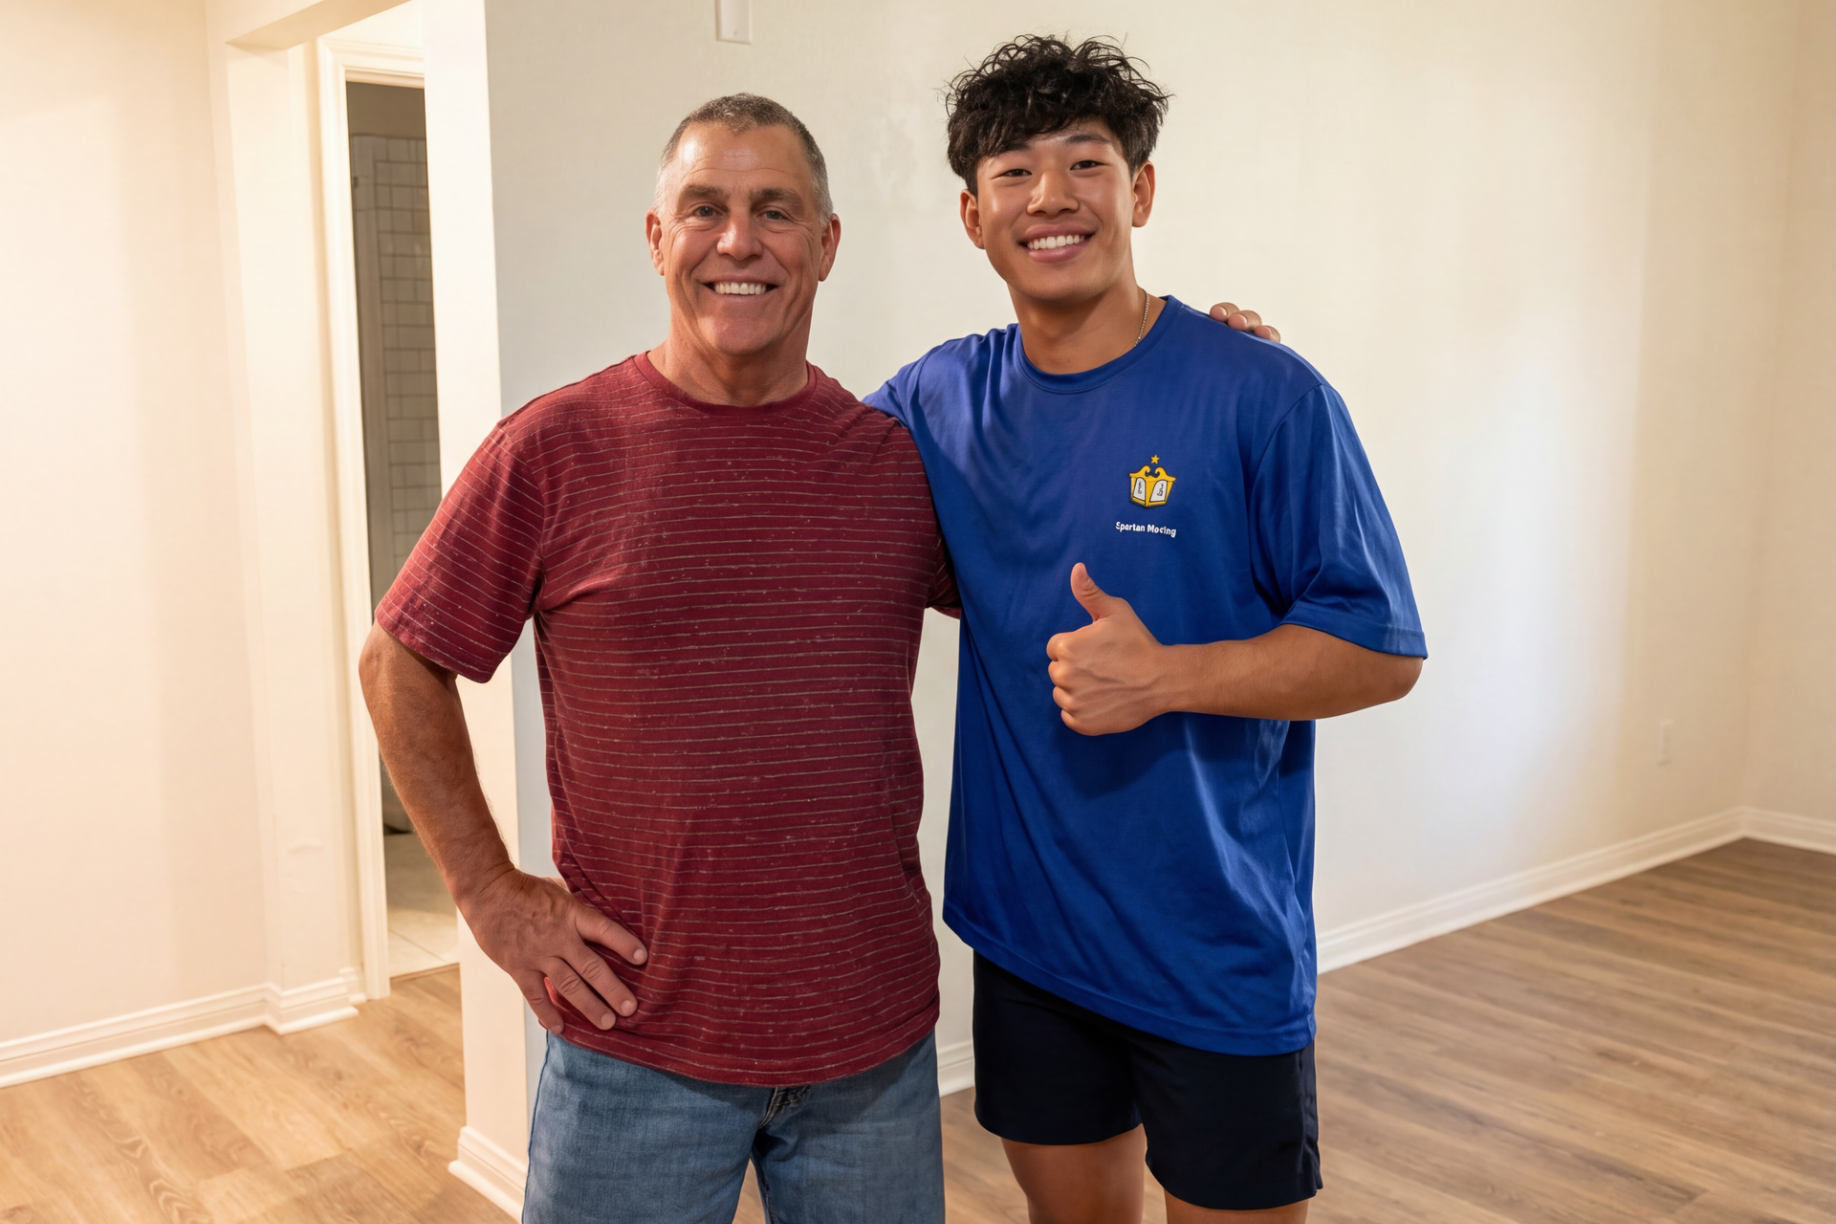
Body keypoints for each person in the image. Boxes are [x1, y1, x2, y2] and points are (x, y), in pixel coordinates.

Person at [359, 91, 1273, 1224]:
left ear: (826, 245)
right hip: (635, 1045)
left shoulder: (896, 461)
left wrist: (1184, 375)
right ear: (658, 239)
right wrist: (490, 894)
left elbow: (1060, 517)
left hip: (870, 1061)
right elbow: (397, 663)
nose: (738, 242)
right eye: (705, 209)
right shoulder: (554, 450)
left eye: (776, 211)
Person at [865, 37, 1426, 1224]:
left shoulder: (1264, 392)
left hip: (1214, 947)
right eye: (1014, 172)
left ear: (1143, 189)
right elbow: (796, 480)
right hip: (1030, 943)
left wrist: (1167, 676)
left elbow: (1382, 649)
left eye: (1086, 161)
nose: (1051, 196)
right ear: (973, 216)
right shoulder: (936, 401)